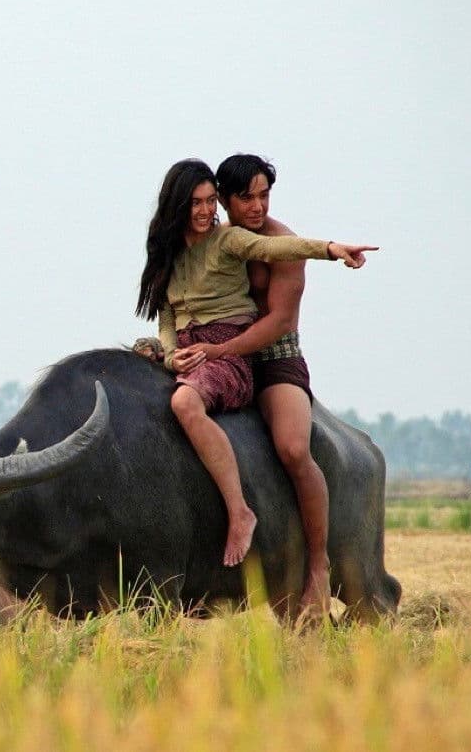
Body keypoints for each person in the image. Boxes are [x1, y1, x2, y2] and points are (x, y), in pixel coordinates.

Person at [134, 158, 375, 573]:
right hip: (197, 354)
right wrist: (171, 354)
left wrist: (331, 250)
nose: (207, 211)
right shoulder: (173, 250)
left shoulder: (235, 240)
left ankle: (298, 550)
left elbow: (275, 263)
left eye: (210, 202)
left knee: (289, 447)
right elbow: (168, 316)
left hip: (261, 356)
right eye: (200, 203)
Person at [178, 153, 347, 620]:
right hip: (216, 354)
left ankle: (317, 563)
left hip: (273, 360)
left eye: (264, 195)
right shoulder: (212, 240)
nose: (257, 205)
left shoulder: (281, 241)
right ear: (225, 201)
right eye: (246, 197)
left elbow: (279, 321)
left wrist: (219, 351)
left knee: (293, 449)